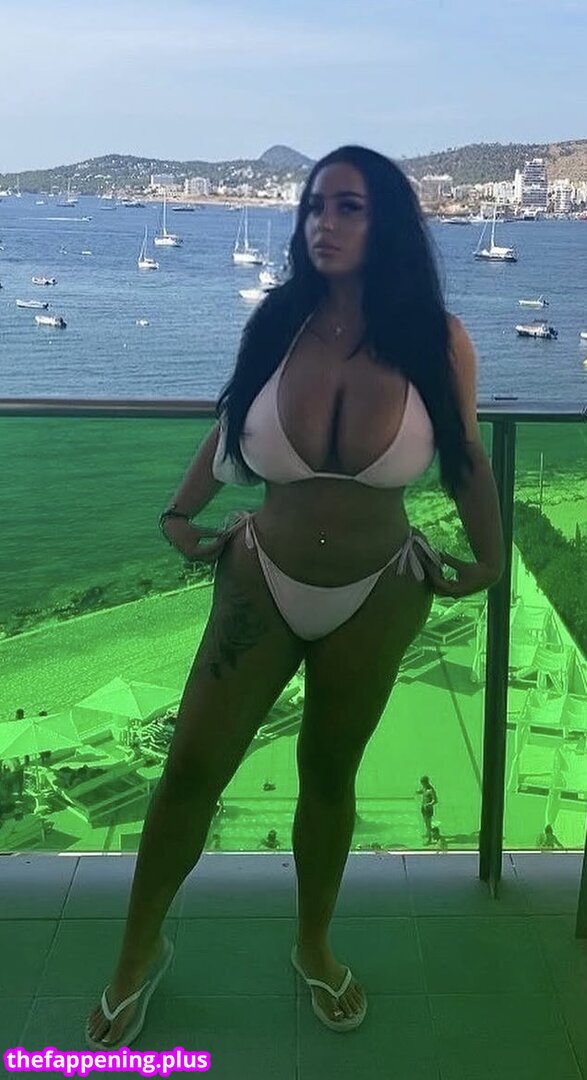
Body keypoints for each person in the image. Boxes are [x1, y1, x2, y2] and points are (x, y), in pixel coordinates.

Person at [86, 145, 504, 1048]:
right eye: (315, 206)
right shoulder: (278, 321)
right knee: (190, 771)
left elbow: (466, 456)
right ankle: (135, 954)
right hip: (259, 581)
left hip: (380, 589)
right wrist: (178, 511)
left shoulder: (437, 339)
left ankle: (313, 945)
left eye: (348, 207)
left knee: (328, 776)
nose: (325, 223)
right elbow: (230, 423)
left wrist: (491, 557)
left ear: (386, 223)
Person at [417, 775, 439, 845]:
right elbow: (423, 791)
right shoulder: (425, 788)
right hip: (423, 808)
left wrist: (429, 804)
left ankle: (429, 839)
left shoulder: (431, 790)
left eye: (422, 783)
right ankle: (428, 833)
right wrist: (419, 792)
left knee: (428, 824)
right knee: (426, 823)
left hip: (428, 810)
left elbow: (435, 800)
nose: (422, 785)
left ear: (425, 782)